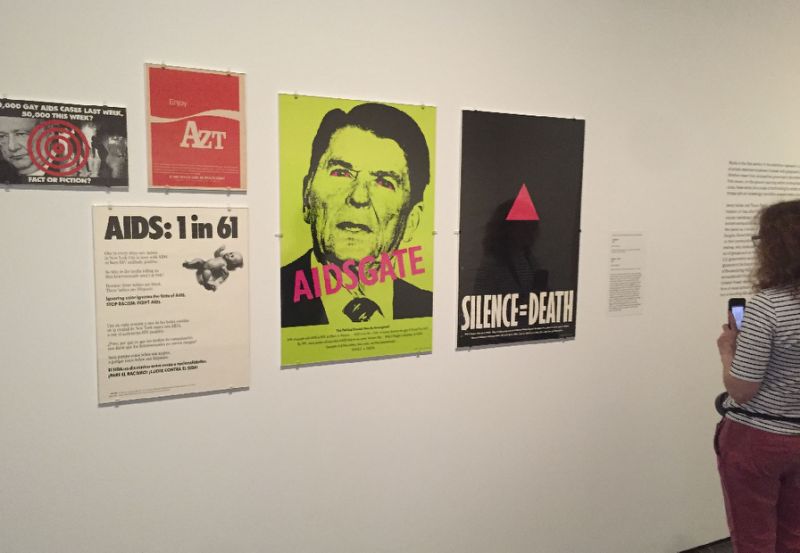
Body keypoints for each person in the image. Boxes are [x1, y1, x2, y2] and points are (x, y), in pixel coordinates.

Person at [281, 102, 432, 327]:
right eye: (341, 172)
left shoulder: (429, 309)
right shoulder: (272, 298)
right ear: (307, 197)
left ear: (411, 221)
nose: (359, 197)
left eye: (384, 182)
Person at [715, 199, 800, 553]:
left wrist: (727, 351)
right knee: (794, 536)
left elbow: (742, 389)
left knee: (754, 540)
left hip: (759, 438)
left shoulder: (768, 306)